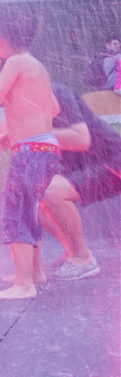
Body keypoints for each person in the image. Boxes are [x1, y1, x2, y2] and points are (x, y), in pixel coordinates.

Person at [0, 10, 61, 300]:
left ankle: (23, 283)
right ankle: (34, 273)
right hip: (46, 147)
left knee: (17, 212)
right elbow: (52, 108)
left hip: (31, 150)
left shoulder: (13, 62)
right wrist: (14, 133)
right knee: (30, 209)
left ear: (2, 40)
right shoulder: (36, 65)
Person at [37, 83, 121, 280]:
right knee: (34, 194)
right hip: (87, 166)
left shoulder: (57, 92)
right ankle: (72, 252)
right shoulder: (29, 102)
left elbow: (81, 139)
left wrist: (31, 135)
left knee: (52, 192)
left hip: (113, 163)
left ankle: (83, 258)